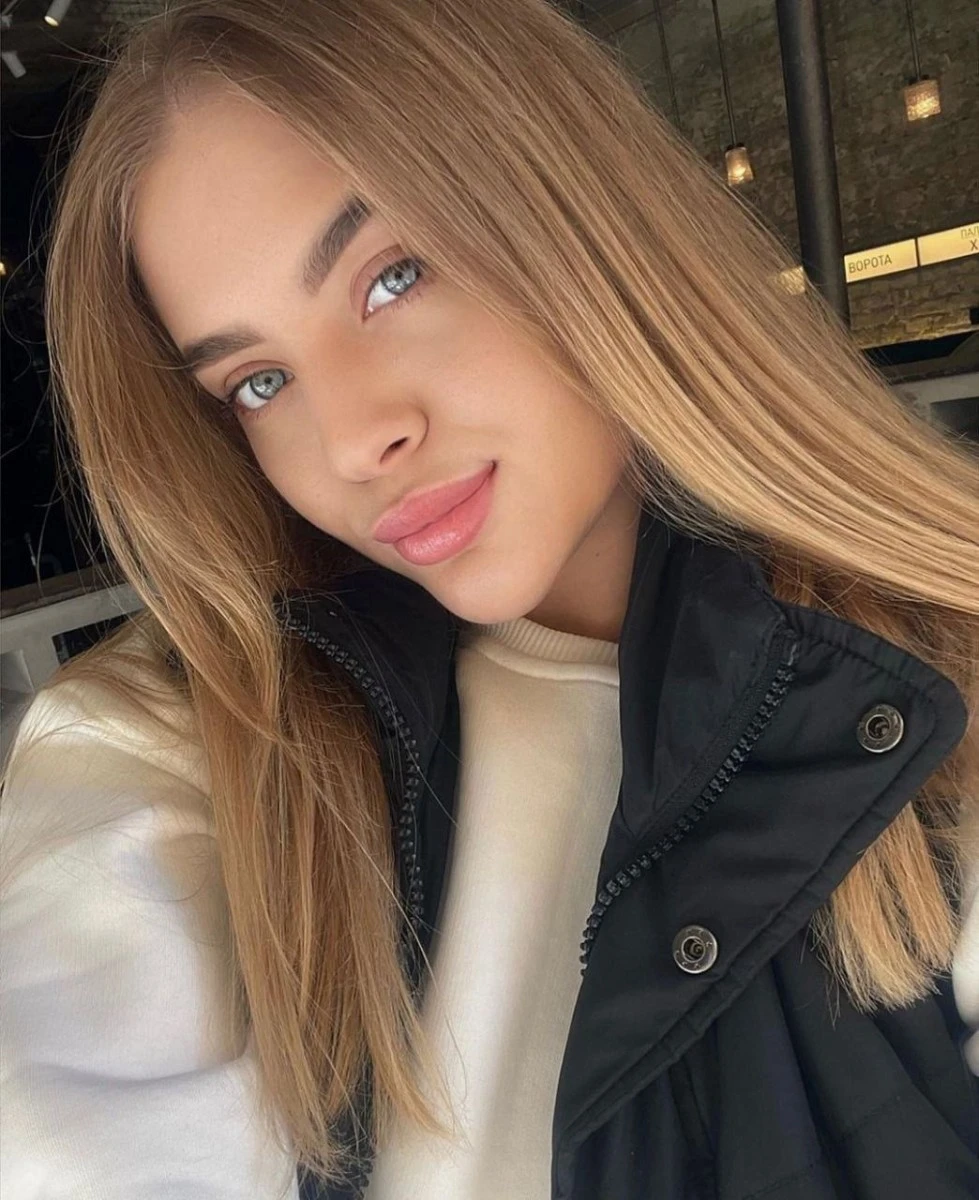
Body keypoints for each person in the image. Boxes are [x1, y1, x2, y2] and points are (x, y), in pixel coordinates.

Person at [1, 0, 977, 1197]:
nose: (352, 438)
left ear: (576, 210)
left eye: (392, 277)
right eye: (258, 382)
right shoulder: (190, 742)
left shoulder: (930, 690)